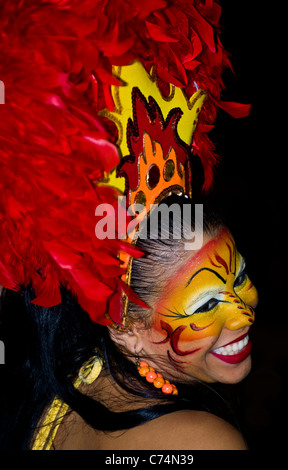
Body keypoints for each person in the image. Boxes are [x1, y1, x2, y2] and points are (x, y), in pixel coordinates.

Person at [0, 0, 253, 451]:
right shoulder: (200, 442)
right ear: (126, 329)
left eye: (240, 278)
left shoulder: (62, 400)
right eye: (205, 304)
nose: (244, 312)